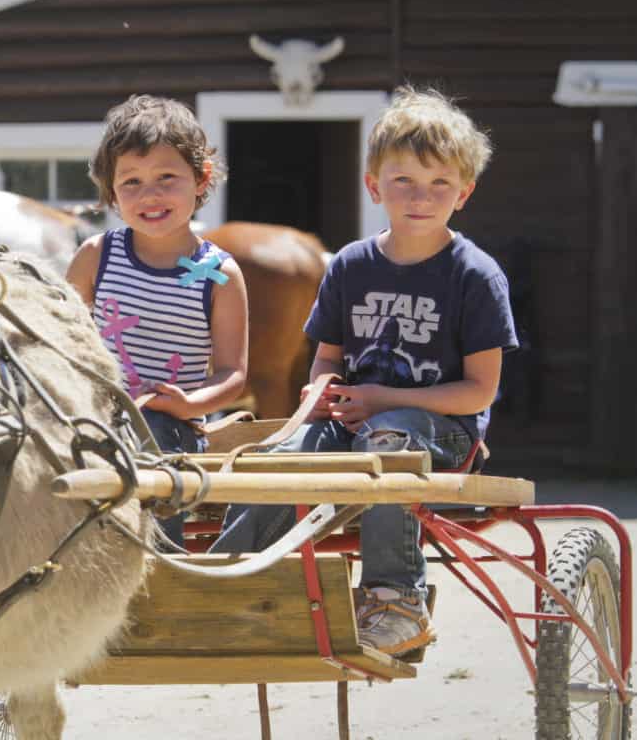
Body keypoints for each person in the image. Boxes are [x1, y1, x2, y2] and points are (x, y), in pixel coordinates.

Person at [211, 86, 518, 657]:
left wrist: (379, 397)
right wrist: (322, 386)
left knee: (390, 435)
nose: (420, 197)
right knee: (280, 455)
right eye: (403, 181)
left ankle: (395, 598)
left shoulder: (475, 277)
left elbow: (481, 391)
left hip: (440, 434)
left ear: (464, 193)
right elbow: (328, 355)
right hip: (358, 418)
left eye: (439, 184)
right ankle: (228, 579)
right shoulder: (352, 264)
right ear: (375, 185)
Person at [66, 94, 249, 547]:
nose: (150, 195)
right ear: (111, 191)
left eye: (167, 177)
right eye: (131, 182)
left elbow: (233, 374)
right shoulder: (97, 257)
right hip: (94, 416)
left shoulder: (220, 275)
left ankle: (157, 561)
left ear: (201, 178)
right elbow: (63, 343)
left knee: (157, 445)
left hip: (172, 428)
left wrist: (189, 404)